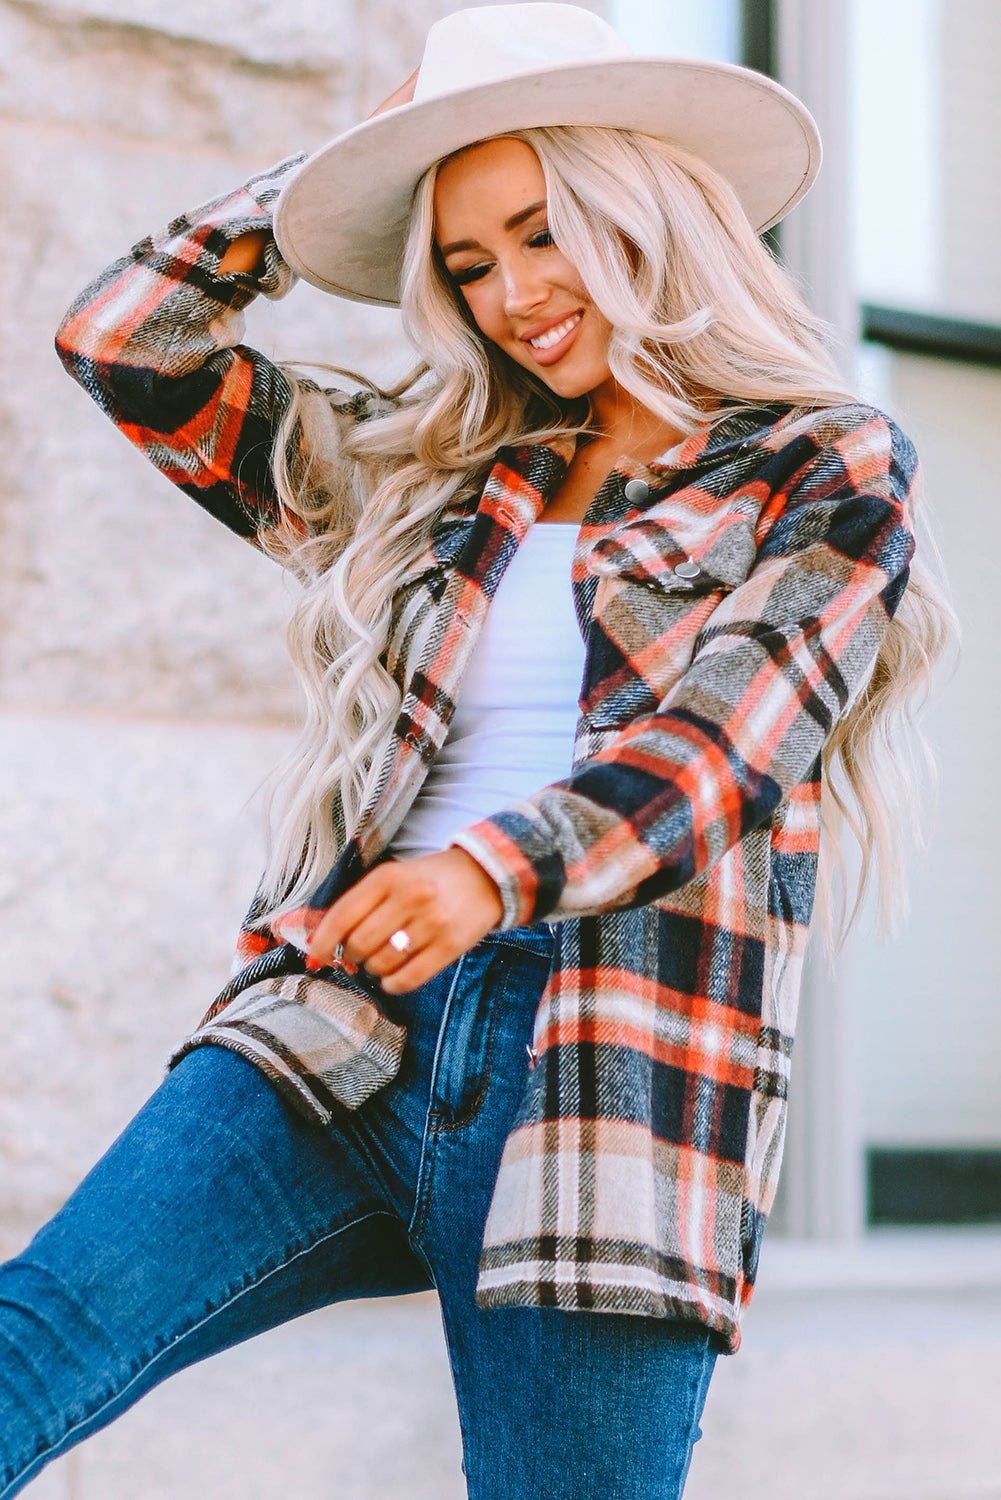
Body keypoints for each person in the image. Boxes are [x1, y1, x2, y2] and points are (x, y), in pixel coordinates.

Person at [0, 6, 949, 1498]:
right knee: (26, 1350)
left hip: (612, 1074)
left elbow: (721, 751)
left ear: (637, 208)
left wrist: (486, 875)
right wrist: (347, 167)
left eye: (539, 232)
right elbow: (126, 340)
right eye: (464, 261)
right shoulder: (431, 475)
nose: (510, 294)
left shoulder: (821, 462)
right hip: (340, 1026)